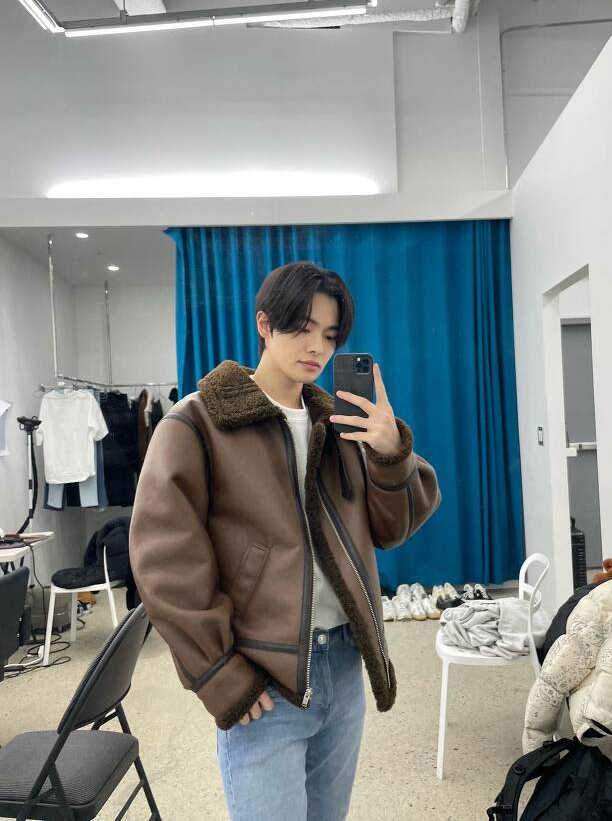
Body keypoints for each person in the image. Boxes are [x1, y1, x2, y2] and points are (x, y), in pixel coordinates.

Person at [129, 261, 441, 820]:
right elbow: (163, 560)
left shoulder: (342, 424)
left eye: (330, 335)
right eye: (302, 327)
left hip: (343, 664)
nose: (316, 347)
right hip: (263, 678)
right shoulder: (198, 422)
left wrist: (390, 452)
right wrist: (219, 672)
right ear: (264, 324)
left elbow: (390, 530)